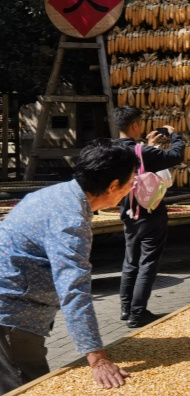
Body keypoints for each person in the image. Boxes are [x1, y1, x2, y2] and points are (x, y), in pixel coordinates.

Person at [0, 139, 137, 392]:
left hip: (17, 304)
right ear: (113, 185)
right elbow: (74, 290)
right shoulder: (70, 220)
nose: (132, 187)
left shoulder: (59, 194)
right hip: (10, 313)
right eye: (131, 180)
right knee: (28, 385)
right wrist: (98, 360)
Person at [113, 106, 185, 328]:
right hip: (149, 212)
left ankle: (126, 308)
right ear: (135, 125)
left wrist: (148, 145)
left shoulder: (111, 149)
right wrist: (174, 135)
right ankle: (138, 313)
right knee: (148, 263)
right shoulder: (142, 151)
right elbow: (176, 155)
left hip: (126, 211)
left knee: (130, 261)